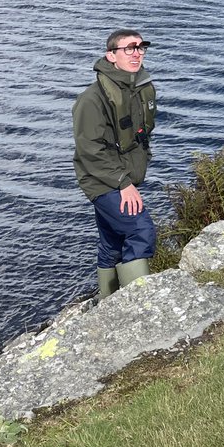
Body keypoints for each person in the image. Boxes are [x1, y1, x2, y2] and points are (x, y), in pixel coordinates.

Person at [72, 29, 158, 298]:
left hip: (121, 177)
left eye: (141, 48)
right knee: (141, 229)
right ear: (111, 55)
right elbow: (90, 150)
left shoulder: (137, 89)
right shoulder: (91, 100)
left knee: (112, 242)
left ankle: (108, 301)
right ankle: (138, 303)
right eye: (129, 49)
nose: (137, 54)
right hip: (103, 180)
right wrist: (123, 183)